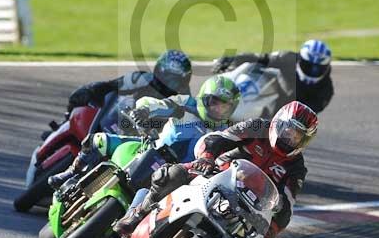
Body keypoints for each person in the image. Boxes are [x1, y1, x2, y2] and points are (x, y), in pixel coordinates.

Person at [115, 101, 318, 238]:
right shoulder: (257, 127)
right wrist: (207, 157)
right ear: (279, 123)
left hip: (248, 206)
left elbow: (288, 203)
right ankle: (138, 213)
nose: (290, 139)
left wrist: (272, 228)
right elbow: (220, 138)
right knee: (172, 174)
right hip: (216, 174)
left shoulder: (296, 167)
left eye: (297, 137)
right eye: (289, 131)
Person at [50, 74, 240, 191]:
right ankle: (70, 173)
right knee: (97, 140)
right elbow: (158, 104)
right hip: (152, 149)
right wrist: (143, 110)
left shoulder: (226, 131)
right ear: (204, 98)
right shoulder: (187, 104)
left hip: (179, 176)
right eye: (214, 102)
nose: (217, 109)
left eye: (224, 106)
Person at [212, 39, 333, 115]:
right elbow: (260, 58)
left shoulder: (326, 90)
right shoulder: (287, 58)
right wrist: (231, 58)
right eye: (308, 65)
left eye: (318, 68)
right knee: (253, 70)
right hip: (276, 92)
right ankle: (222, 94)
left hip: (291, 115)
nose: (313, 71)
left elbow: (306, 115)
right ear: (300, 59)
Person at [67, 49, 192, 111]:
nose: (172, 85)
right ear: (159, 72)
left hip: (145, 143)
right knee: (82, 102)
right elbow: (109, 85)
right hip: (117, 125)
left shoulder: (185, 99)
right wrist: (90, 92)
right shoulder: (141, 79)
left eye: (177, 80)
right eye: (169, 78)